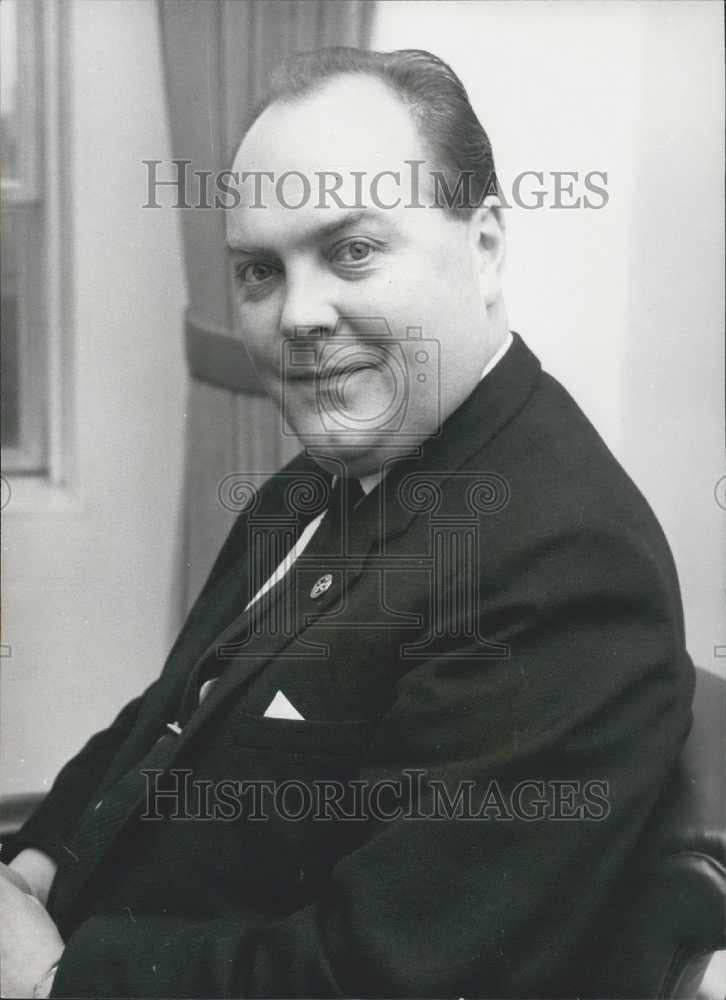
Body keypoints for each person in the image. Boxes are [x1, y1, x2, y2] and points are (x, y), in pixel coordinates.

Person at [0, 48, 694, 998]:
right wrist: (34, 866)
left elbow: (380, 980)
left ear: (485, 245)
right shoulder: (336, 470)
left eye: (352, 250)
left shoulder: (561, 564)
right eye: (258, 271)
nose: (299, 316)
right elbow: (177, 711)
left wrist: (48, 977)